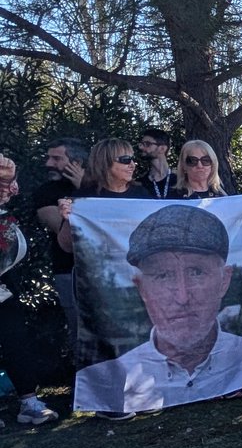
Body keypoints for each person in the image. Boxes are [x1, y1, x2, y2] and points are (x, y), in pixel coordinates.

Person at [72, 204, 242, 415]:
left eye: (196, 272)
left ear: (224, 281)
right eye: (163, 275)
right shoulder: (108, 376)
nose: (182, 297)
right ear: (142, 289)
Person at [0, 154, 60, 427]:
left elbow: (10, 192)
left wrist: (8, 174)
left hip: (4, 284)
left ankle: (29, 402)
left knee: (15, 338)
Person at [32, 138, 87, 356]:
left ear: (77, 161)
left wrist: (86, 187)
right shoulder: (46, 192)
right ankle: (82, 384)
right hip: (68, 270)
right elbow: (61, 231)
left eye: (56, 158)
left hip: (106, 269)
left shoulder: (101, 185)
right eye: (48, 157)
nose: (48, 163)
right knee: (80, 331)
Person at [56, 139, 152, 254]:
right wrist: (69, 220)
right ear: (105, 163)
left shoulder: (142, 194)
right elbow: (66, 246)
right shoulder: (85, 197)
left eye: (132, 159)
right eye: (125, 160)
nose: (132, 165)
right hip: (99, 268)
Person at [137, 127, 178, 199]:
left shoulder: (181, 180)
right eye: (141, 144)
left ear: (162, 149)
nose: (141, 147)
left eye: (147, 144)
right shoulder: (140, 184)